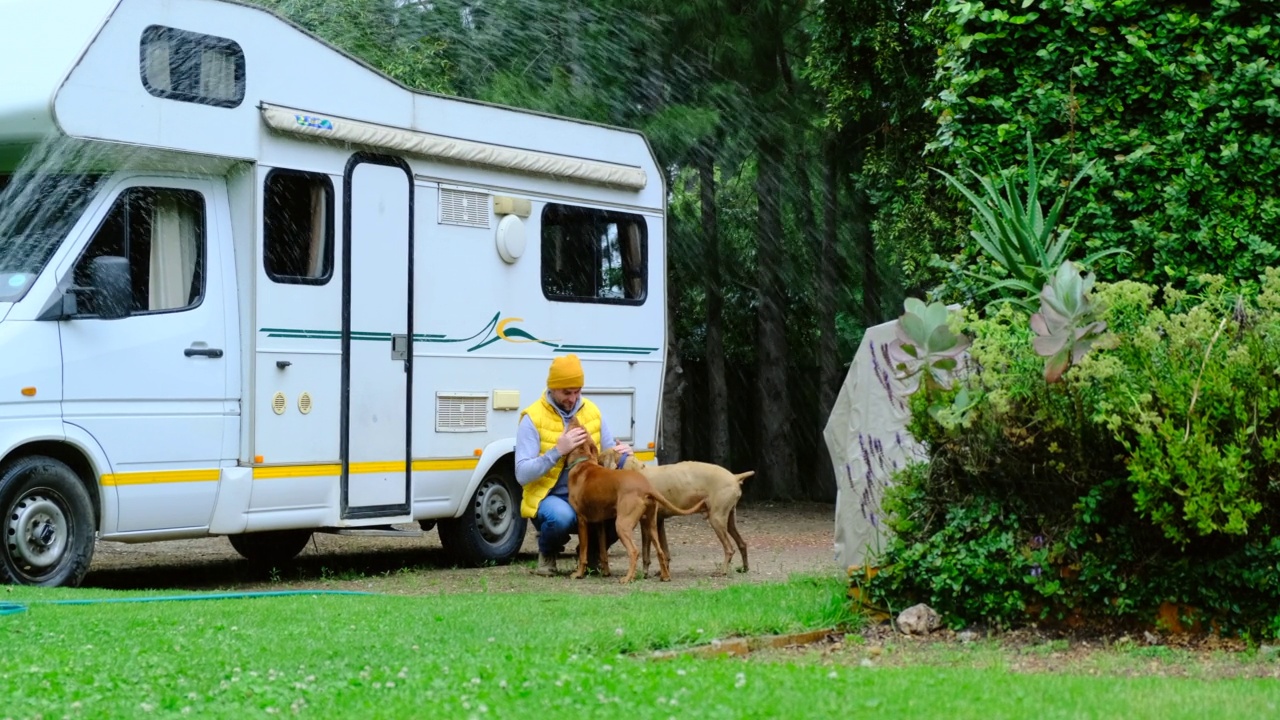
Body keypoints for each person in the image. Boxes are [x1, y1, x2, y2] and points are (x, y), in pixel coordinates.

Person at [516, 354, 632, 576]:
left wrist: (623, 454)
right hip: (551, 497)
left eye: (577, 391)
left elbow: (606, 455)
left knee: (627, 506)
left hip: (590, 494)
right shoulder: (532, 418)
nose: (573, 398)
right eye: (566, 392)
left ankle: (590, 553)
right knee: (561, 518)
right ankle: (547, 551)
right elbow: (522, 474)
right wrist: (557, 451)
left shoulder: (592, 411)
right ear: (552, 388)